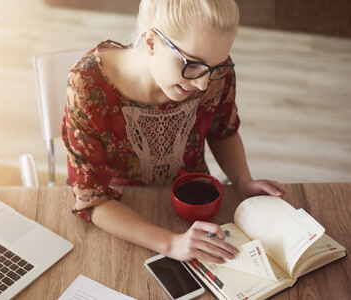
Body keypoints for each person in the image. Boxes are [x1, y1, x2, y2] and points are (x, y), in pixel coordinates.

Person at [61, 0, 289, 264]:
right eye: (192, 65)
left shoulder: (213, 75)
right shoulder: (87, 86)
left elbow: (222, 131)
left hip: (195, 205)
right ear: (151, 43)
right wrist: (171, 243)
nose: (203, 85)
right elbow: (92, 198)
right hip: (120, 218)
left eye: (217, 66)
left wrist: (243, 181)